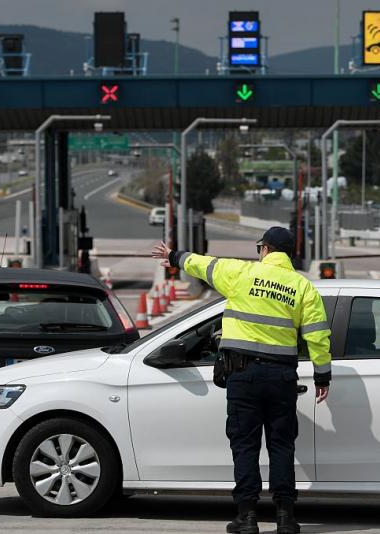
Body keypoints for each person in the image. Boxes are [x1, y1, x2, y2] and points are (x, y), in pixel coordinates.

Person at [152, 227, 330, 534]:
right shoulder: (303, 287)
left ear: (265, 249)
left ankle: (247, 517)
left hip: (243, 376)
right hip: (282, 378)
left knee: (245, 445)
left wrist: (173, 257)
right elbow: (317, 336)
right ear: (288, 254)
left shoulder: (241, 273)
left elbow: (203, 264)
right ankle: (286, 517)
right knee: (282, 445)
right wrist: (322, 375)